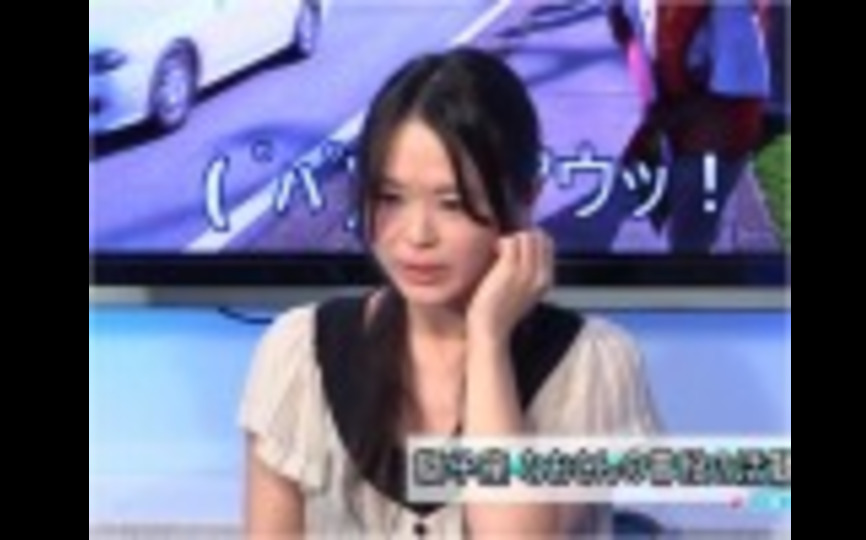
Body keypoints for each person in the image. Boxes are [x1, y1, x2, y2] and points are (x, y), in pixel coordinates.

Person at [238, 46, 660, 538]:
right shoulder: (298, 352)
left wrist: (487, 340)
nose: (417, 235)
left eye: (453, 203)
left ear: (526, 199)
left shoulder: (592, 366)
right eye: (390, 198)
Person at [608, 0, 771, 252]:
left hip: (718, 137)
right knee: (684, 226)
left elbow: (736, 94)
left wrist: (659, 123)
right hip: (678, 125)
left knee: (689, 239)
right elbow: (630, 27)